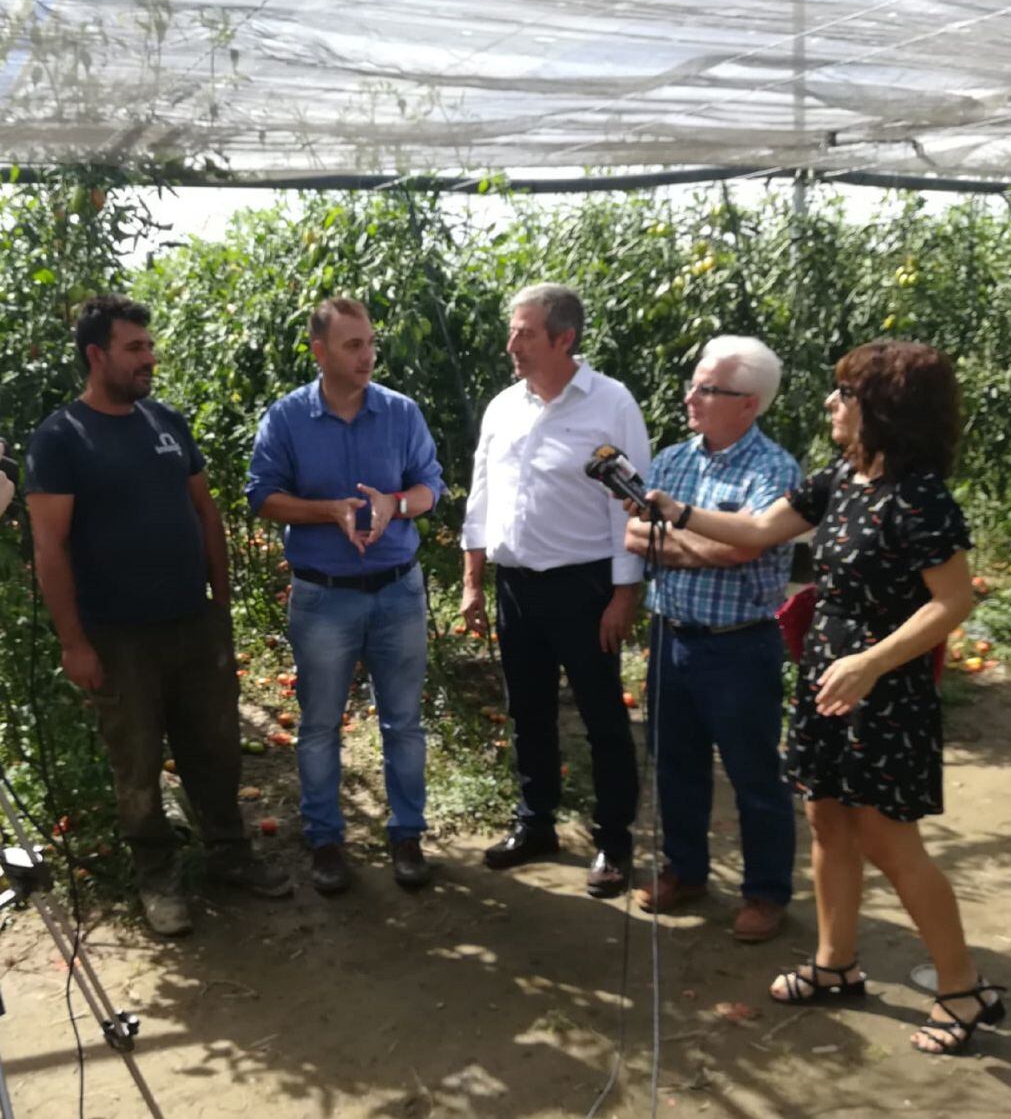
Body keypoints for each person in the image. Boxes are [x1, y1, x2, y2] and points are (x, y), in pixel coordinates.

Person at [631, 340, 1005, 1055]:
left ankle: (961, 989)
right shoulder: (843, 477)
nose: (831, 403)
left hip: (883, 692)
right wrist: (679, 512)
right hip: (828, 679)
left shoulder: (919, 497)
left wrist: (872, 661)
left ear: (884, 408)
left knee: (892, 845)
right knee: (827, 822)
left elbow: (951, 601)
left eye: (845, 393)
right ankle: (837, 963)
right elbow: (761, 529)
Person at [26, 295, 292, 937]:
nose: (150, 357)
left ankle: (229, 856)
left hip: (192, 625)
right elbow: (50, 548)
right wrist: (73, 643)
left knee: (217, 748)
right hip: (118, 638)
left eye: (149, 345)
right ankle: (159, 878)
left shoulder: (166, 421)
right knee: (137, 765)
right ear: (97, 356)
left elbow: (205, 513)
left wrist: (221, 608)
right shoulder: (62, 438)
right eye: (135, 348)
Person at [246, 297, 443, 894]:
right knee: (320, 725)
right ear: (319, 351)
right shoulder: (286, 419)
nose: (367, 355)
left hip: (397, 590)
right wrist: (325, 511)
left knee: (404, 723)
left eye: (371, 343)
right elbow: (263, 496)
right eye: (353, 345)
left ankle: (407, 834)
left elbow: (430, 484)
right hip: (324, 596)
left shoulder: (401, 413)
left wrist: (396, 504)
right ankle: (325, 841)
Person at [460, 283, 650, 898]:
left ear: (564, 339)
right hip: (518, 586)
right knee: (528, 712)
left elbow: (631, 506)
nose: (511, 343)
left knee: (601, 718)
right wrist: (473, 579)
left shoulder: (610, 403)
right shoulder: (503, 407)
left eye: (525, 333)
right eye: (512, 331)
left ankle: (614, 841)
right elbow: (481, 495)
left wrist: (624, 594)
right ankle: (534, 822)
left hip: (586, 585)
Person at [625, 336, 800, 943]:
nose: (690, 396)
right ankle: (686, 869)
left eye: (707, 388)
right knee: (676, 764)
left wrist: (689, 545)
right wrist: (712, 550)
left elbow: (748, 544)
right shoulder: (673, 460)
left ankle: (766, 892)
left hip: (738, 645)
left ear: (748, 404)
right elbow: (634, 538)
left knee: (754, 773)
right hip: (670, 635)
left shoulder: (774, 470)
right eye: (693, 383)